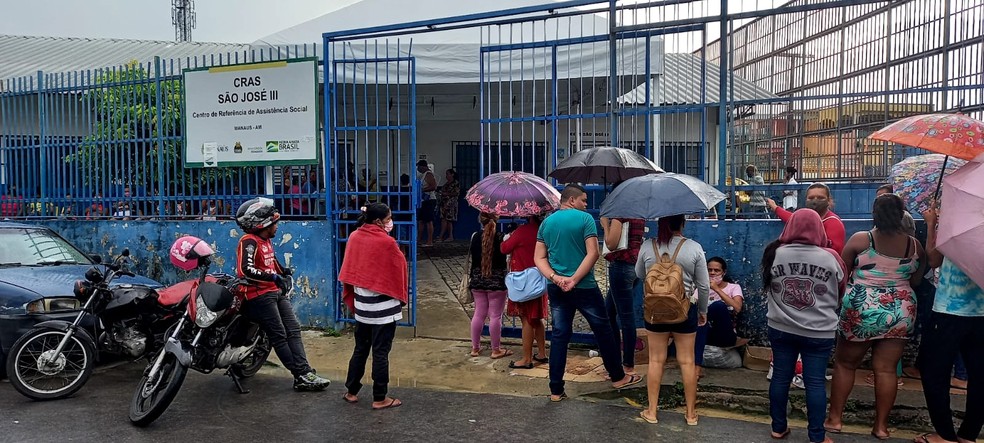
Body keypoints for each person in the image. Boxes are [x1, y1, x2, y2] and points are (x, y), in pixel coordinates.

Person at [824, 194, 925, 440]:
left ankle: (835, 419)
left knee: (846, 364)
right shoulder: (914, 246)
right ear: (902, 214)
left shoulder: (862, 239)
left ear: (874, 214)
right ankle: (881, 427)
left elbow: (842, 272)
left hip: (862, 309)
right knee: (887, 370)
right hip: (900, 311)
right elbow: (916, 280)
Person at [534, 184, 643, 403]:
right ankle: (618, 377)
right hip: (584, 286)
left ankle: (555, 390)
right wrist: (574, 279)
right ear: (572, 200)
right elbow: (593, 253)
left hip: (557, 287)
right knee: (603, 331)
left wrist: (556, 278)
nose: (586, 204)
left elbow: (539, 258)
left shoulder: (546, 223)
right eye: (584, 200)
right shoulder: (584, 220)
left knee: (559, 336)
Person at [762, 208, 846, 443]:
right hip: (819, 331)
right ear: (819, 228)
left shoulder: (774, 253)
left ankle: (778, 427)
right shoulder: (830, 257)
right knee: (815, 383)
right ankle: (817, 436)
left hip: (780, 328)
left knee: (780, 377)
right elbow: (840, 291)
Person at [234, 198, 330, 392]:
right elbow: (246, 270)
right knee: (279, 335)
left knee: (293, 329)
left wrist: (283, 272)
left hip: (274, 292)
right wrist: (274, 277)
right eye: (274, 223)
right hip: (259, 295)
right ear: (263, 224)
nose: (277, 226)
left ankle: (305, 371)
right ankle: (300, 375)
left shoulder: (266, 240)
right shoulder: (249, 241)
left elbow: (272, 262)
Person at [914, 203, 984, 443]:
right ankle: (968, 434)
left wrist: (932, 224)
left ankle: (944, 434)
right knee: (980, 375)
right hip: (982, 313)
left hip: (950, 310)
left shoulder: (956, 224)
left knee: (934, 370)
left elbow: (933, 260)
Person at [635, 214, 708, 426]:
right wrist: (702, 311)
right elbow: (703, 286)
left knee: (656, 360)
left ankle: (651, 411)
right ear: (682, 223)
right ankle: (691, 414)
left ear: (659, 224)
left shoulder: (648, 246)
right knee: (687, 361)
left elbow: (639, 274)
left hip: (655, 313)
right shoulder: (694, 247)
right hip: (685, 312)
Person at [338, 203, 408, 410]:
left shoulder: (354, 237)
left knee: (360, 349)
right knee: (380, 352)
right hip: (383, 311)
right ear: (378, 221)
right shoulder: (386, 242)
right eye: (389, 218)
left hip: (362, 307)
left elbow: (351, 269)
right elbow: (398, 270)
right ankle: (380, 397)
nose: (391, 222)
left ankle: (351, 391)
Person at [500, 215, 550, 369]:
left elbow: (504, 248)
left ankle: (526, 358)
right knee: (536, 318)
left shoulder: (523, 231)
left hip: (523, 283)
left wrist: (509, 236)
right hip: (539, 279)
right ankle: (542, 353)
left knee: (526, 320)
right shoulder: (545, 231)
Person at [600, 212, 646, 377]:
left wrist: (605, 224)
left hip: (621, 266)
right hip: (635, 266)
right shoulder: (638, 213)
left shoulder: (620, 213)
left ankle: (627, 364)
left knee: (625, 317)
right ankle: (615, 360)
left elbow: (611, 244)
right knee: (609, 312)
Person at [694, 257, 748, 376]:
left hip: (725, 335)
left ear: (723, 272)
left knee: (718, 306)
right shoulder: (701, 288)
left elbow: (737, 308)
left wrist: (717, 289)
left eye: (716, 270)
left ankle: (696, 364)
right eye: (709, 270)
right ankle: (696, 366)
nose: (712, 273)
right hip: (706, 333)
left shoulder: (733, 287)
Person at [468, 212, 511, 359]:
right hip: (496, 282)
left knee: (478, 313)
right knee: (495, 316)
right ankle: (496, 350)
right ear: (496, 219)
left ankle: (475, 348)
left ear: (480, 220)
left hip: (477, 280)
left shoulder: (474, 236)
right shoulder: (502, 237)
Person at [767, 182, 846, 254]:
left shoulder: (833, 222)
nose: (815, 201)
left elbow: (835, 253)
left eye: (820, 198)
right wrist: (775, 207)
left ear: (829, 201)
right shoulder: (805, 219)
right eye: (811, 198)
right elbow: (792, 218)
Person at [416, 160, 438, 246]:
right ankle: (419, 240)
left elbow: (434, 186)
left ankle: (429, 241)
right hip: (423, 200)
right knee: (421, 220)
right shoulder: (423, 175)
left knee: (429, 220)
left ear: (422, 166)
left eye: (419, 167)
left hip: (429, 200)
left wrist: (421, 190)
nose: (418, 169)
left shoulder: (428, 174)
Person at [436, 168, 460, 242]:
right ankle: (444, 236)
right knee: (445, 220)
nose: (446, 176)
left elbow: (456, 193)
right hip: (444, 204)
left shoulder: (455, 183)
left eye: (447, 174)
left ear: (452, 174)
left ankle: (446, 236)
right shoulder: (447, 183)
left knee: (448, 220)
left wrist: (446, 194)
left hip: (451, 204)